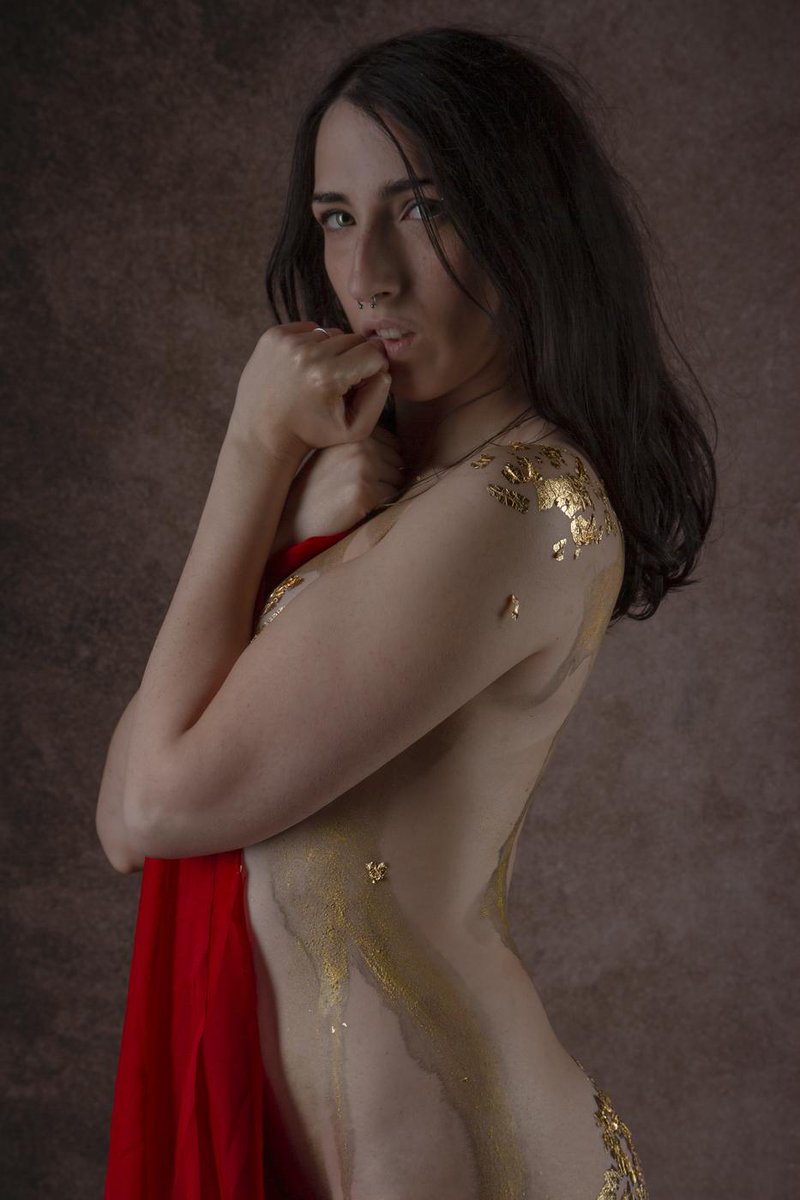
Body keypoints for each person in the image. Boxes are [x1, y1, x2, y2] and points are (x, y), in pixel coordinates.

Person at [98, 24, 717, 1200]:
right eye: (336, 217)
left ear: (523, 219)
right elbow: (123, 812)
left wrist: (252, 454)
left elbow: (158, 804)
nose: (368, 273)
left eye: (422, 207)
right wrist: (282, 522)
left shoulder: (517, 498)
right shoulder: (395, 497)